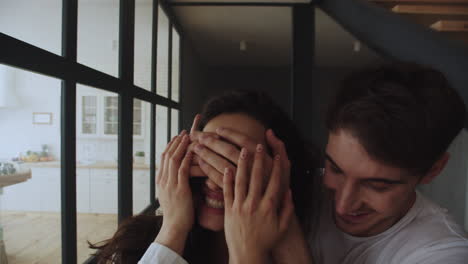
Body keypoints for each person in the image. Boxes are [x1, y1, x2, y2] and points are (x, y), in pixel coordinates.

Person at [89, 90, 321, 264]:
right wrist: (173, 228)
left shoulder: (314, 245)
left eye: (238, 161)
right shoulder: (136, 243)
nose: (213, 180)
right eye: (206, 156)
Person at [311, 63, 468, 263]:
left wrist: (290, 248)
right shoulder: (295, 194)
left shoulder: (445, 253)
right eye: (335, 169)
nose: (343, 205)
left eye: (377, 185)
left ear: (433, 170)